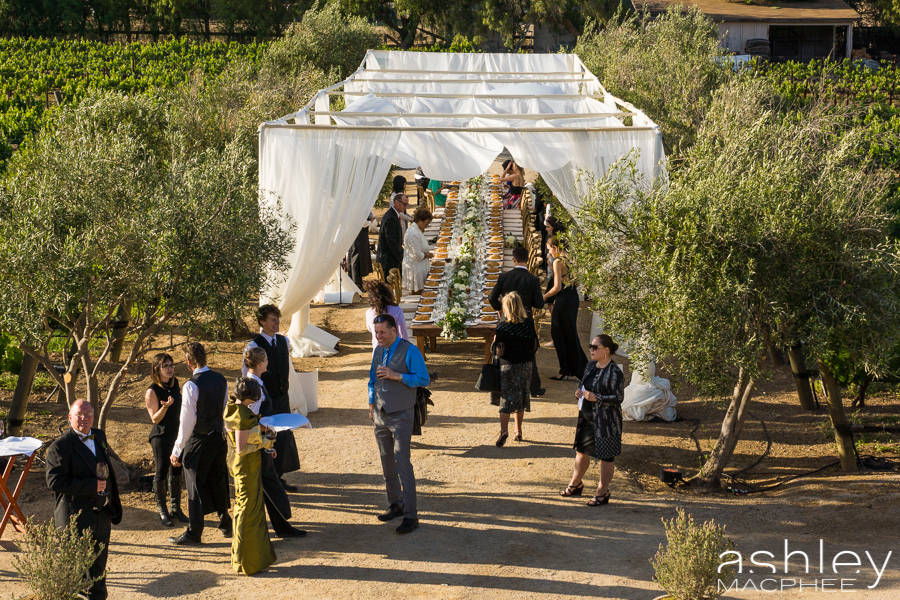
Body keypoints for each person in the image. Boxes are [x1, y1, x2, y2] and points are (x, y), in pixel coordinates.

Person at [46, 400, 122, 600]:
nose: (84, 418)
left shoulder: (99, 436)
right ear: (70, 417)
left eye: (88, 414)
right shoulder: (59, 447)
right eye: (79, 414)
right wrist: (91, 486)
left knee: (98, 570)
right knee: (76, 573)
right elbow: (54, 481)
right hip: (76, 518)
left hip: (102, 516)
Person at [368, 314, 430, 534]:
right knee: (387, 463)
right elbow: (372, 380)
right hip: (380, 415)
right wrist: (371, 403)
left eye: (383, 332)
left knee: (403, 462)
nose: (379, 336)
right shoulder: (377, 351)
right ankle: (396, 503)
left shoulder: (410, 350)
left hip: (402, 414)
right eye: (376, 332)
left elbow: (423, 379)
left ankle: (411, 516)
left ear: (394, 330)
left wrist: (397, 376)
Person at [169, 342, 232, 545]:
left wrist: (177, 449)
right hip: (218, 439)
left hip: (199, 441)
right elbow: (224, 411)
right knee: (218, 480)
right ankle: (225, 522)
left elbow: (187, 422)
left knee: (195, 484)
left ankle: (194, 532)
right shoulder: (221, 379)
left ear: (188, 362)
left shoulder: (191, 385)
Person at [243, 347, 307, 538]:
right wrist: (268, 444)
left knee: (268, 484)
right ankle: (281, 526)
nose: (268, 362)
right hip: (258, 444)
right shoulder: (254, 387)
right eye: (266, 360)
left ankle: (280, 526)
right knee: (270, 483)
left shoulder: (252, 383)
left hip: (259, 443)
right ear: (261, 363)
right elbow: (253, 420)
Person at [241, 304, 302, 491]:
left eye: (277, 319)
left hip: (281, 398)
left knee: (283, 438)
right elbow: (246, 377)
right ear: (262, 322)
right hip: (264, 400)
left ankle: (278, 476)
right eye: (272, 320)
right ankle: (267, 479)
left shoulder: (283, 341)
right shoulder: (253, 346)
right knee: (267, 439)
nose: (276, 323)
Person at [560, 335, 624, 506]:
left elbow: (618, 397)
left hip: (606, 422)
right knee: (581, 451)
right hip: (587, 418)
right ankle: (575, 484)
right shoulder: (590, 366)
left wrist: (598, 397)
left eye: (595, 347)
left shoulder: (614, 371)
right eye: (591, 346)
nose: (592, 350)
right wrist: (578, 392)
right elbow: (583, 385)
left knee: (606, 457)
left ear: (607, 350)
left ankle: (602, 492)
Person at [224, 377, 277, 575]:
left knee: (246, 507)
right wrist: (267, 443)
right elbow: (242, 448)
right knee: (248, 509)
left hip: (241, 466)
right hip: (246, 466)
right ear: (253, 397)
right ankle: (246, 560)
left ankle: (246, 557)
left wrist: (264, 437)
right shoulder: (242, 415)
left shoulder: (232, 407)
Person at [488, 245, 545, 396]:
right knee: (529, 354)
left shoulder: (504, 277)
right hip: (525, 320)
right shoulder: (532, 279)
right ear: (527, 260)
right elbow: (539, 304)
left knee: (501, 351)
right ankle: (534, 387)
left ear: (513, 260)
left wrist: (501, 309)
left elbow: (491, 297)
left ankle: (498, 385)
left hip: (506, 319)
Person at [144, 352, 188, 527]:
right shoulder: (152, 391)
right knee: (162, 470)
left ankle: (175, 507)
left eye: (171, 365)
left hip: (177, 435)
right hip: (161, 437)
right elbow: (154, 419)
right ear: (157, 369)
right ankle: (162, 510)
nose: (170, 369)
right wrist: (165, 407)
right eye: (166, 366)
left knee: (177, 468)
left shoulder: (175, 383)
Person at [491, 292, 537, 446]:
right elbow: (534, 345)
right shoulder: (529, 324)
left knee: (506, 399)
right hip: (525, 365)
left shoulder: (502, 327)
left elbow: (499, 351)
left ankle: (504, 430)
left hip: (508, 365)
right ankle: (518, 430)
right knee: (521, 397)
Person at [543, 236, 587, 380]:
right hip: (572, 296)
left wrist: (544, 296)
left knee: (559, 334)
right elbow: (578, 282)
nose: (550, 253)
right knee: (570, 333)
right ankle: (574, 368)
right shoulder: (572, 258)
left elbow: (556, 287)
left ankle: (566, 369)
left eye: (550, 250)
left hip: (563, 299)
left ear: (555, 248)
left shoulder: (558, 261)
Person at [364, 279, 408, 348]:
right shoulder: (397, 310)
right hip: (396, 350)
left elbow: (370, 329)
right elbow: (403, 334)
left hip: (378, 351)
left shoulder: (369, 313)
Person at [401, 208, 434, 294]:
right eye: (426, 223)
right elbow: (418, 256)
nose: (426, 226)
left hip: (419, 267)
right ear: (419, 221)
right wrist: (428, 255)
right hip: (416, 270)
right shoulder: (414, 234)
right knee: (419, 294)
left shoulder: (416, 230)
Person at [376, 193, 408, 278]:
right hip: (388, 260)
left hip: (391, 257)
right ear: (397, 202)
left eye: (407, 204)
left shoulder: (394, 215)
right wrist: (402, 257)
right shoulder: (390, 218)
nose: (406, 207)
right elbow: (391, 241)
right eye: (404, 204)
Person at [347, 210, 375, 288]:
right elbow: (362, 223)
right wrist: (370, 221)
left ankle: (355, 280)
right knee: (356, 257)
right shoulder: (359, 205)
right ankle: (356, 282)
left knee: (355, 256)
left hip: (358, 233)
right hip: (358, 233)